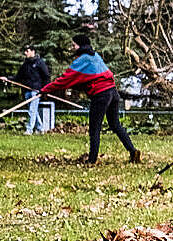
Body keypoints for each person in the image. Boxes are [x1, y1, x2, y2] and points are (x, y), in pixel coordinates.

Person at [41, 34, 141, 165]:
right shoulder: (95, 56)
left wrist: (45, 89)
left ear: (80, 45)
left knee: (94, 128)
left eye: (74, 45)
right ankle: (133, 151)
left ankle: (92, 160)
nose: (72, 47)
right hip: (113, 92)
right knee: (115, 125)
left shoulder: (82, 60)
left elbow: (64, 80)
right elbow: (87, 80)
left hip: (101, 95)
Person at [1, 45, 50, 134]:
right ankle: (41, 128)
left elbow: (46, 77)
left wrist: (44, 90)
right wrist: (7, 79)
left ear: (32, 51)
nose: (25, 53)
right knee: (33, 110)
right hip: (27, 91)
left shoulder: (40, 63)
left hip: (36, 91)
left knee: (32, 110)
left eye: (27, 51)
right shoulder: (25, 64)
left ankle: (29, 130)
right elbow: (18, 77)